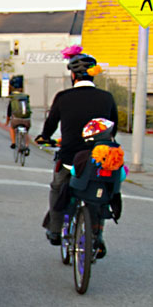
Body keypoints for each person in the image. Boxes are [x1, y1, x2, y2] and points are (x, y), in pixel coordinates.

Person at [35, 47, 118, 249]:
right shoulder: (106, 97)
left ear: (73, 75)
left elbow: (50, 125)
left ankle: (55, 230)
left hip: (70, 158)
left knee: (58, 187)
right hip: (99, 158)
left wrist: (44, 138)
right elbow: (114, 125)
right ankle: (97, 235)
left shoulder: (63, 97)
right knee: (102, 192)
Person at [6, 88, 32, 152]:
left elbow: (8, 114)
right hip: (27, 120)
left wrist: (7, 122)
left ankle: (13, 143)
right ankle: (26, 146)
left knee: (12, 128)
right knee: (26, 131)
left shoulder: (12, 101)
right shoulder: (25, 100)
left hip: (16, 120)